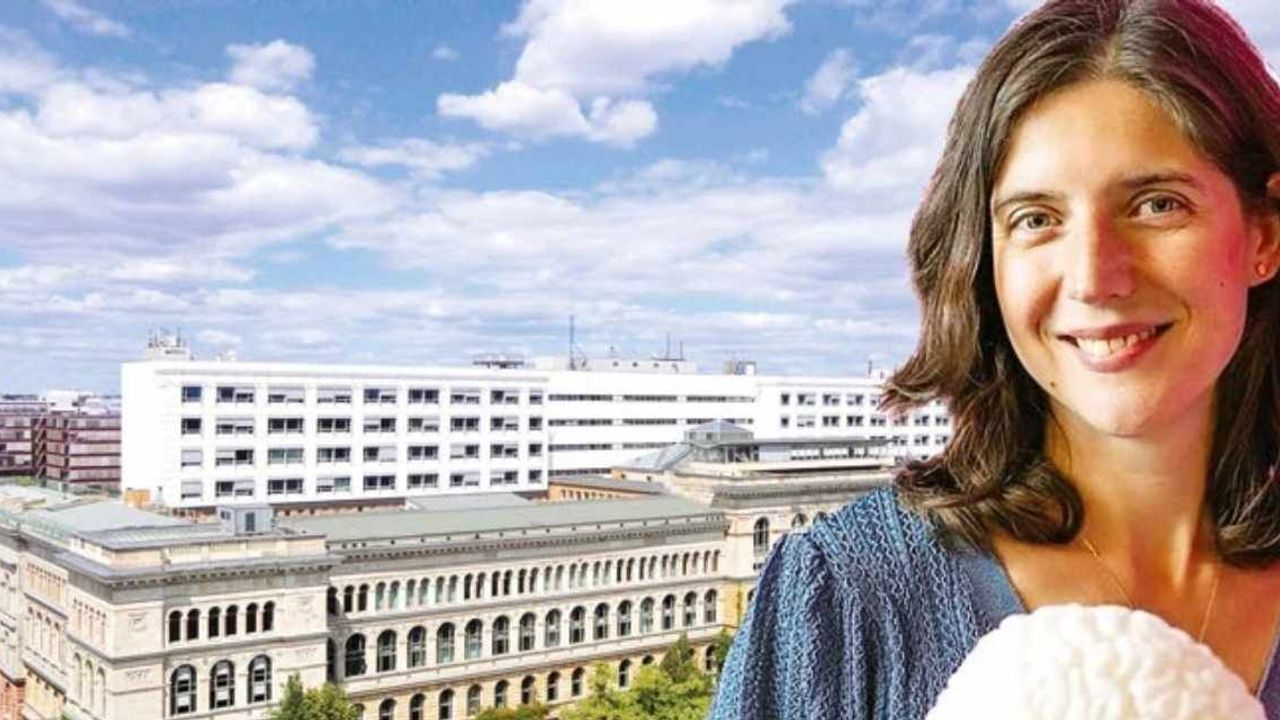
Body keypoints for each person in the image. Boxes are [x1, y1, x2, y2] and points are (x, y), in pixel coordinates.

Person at [709, 0, 1280, 717]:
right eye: (1036, 219)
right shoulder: (850, 597)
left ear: (1265, 235)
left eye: (1157, 204)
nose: (1094, 278)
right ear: (986, 260)